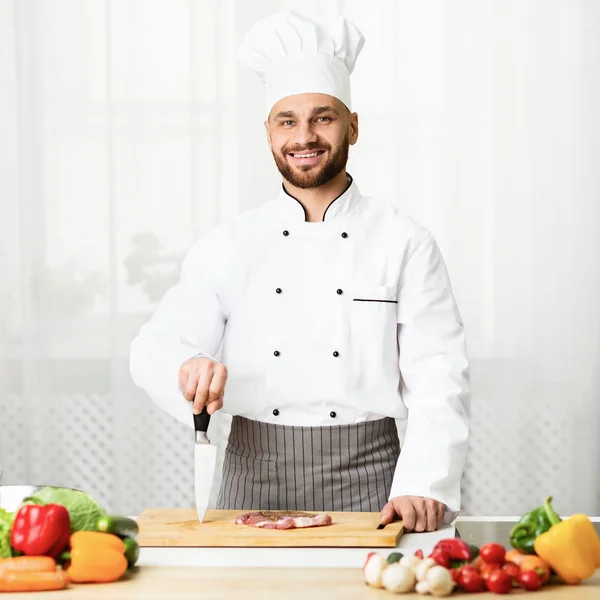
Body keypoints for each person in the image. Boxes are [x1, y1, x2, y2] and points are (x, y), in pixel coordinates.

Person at [130, 10, 470, 532]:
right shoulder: (230, 243)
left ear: (352, 126)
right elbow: (157, 345)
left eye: (323, 117)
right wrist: (188, 365)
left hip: (372, 476)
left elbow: (438, 372)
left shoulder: (404, 241)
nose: (304, 135)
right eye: (287, 120)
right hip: (252, 473)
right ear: (268, 133)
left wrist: (423, 481)